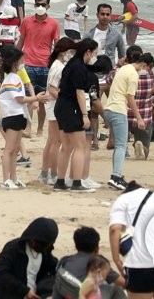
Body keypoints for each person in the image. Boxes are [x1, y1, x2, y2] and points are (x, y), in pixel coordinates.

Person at [0, 46, 50, 189]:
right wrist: (36, 98)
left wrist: (34, 100)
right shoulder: (11, 79)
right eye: (21, 60)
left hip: (18, 115)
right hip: (12, 116)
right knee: (9, 149)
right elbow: (19, 99)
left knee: (15, 149)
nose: (23, 62)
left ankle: (13, 177)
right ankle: (5, 179)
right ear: (14, 63)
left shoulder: (16, 77)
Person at [53, 38, 99, 193]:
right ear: (88, 51)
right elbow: (80, 92)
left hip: (61, 106)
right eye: (94, 53)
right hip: (71, 107)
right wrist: (85, 115)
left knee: (66, 147)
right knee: (80, 146)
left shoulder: (71, 64)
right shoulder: (79, 67)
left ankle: (60, 181)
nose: (94, 56)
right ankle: (77, 183)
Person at [102, 47, 146, 191]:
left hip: (108, 109)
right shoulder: (133, 74)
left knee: (118, 145)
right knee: (121, 145)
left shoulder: (123, 68)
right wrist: (139, 118)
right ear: (143, 64)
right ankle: (116, 177)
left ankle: (117, 176)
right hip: (118, 111)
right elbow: (130, 98)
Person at [17, 0, 59, 136]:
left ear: (48, 6)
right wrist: (13, 58)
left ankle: (40, 128)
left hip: (45, 66)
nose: (40, 7)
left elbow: (57, 45)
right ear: (34, 5)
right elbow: (21, 41)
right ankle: (28, 128)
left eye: (43, 4)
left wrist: (59, 64)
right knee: (29, 98)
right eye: (38, 4)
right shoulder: (27, 21)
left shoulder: (54, 23)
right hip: (28, 64)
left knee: (42, 100)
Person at [37, 38, 76, 186]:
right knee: (55, 141)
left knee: (51, 141)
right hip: (55, 106)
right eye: (70, 52)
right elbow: (53, 89)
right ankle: (53, 173)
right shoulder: (58, 67)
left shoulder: (57, 65)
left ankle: (44, 173)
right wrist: (65, 101)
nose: (71, 54)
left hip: (53, 105)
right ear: (63, 52)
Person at [0, 217, 59, 298]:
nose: (34, 244)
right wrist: (25, 290)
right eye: (34, 241)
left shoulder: (45, 253)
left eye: (42, 244)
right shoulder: (13, 248)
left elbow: (56, 268)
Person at [55, 227, 126, 299]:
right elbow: (124, 283)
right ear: (96, 248)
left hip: (67, 293)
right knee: (115, 287)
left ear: (76, 246)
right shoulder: (98, 263)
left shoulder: (64, 260)